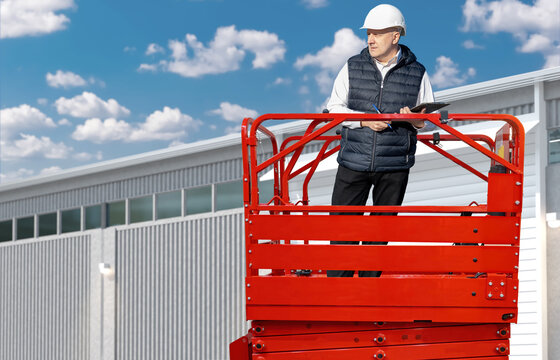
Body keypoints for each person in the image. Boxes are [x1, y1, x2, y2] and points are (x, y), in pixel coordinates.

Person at [326, 4, 435, 278]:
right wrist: (363, 120)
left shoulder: (418, 72)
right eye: (368, 34)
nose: (370, 39)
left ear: (396, 37)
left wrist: (413, 118)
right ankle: (337, 294)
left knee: (380, 233)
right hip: (353, 160)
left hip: (394, 165)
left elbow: (425, 118)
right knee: (342, 232)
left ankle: (368, 291)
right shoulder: (352, 66)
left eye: (377, 33)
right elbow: (333, 109)